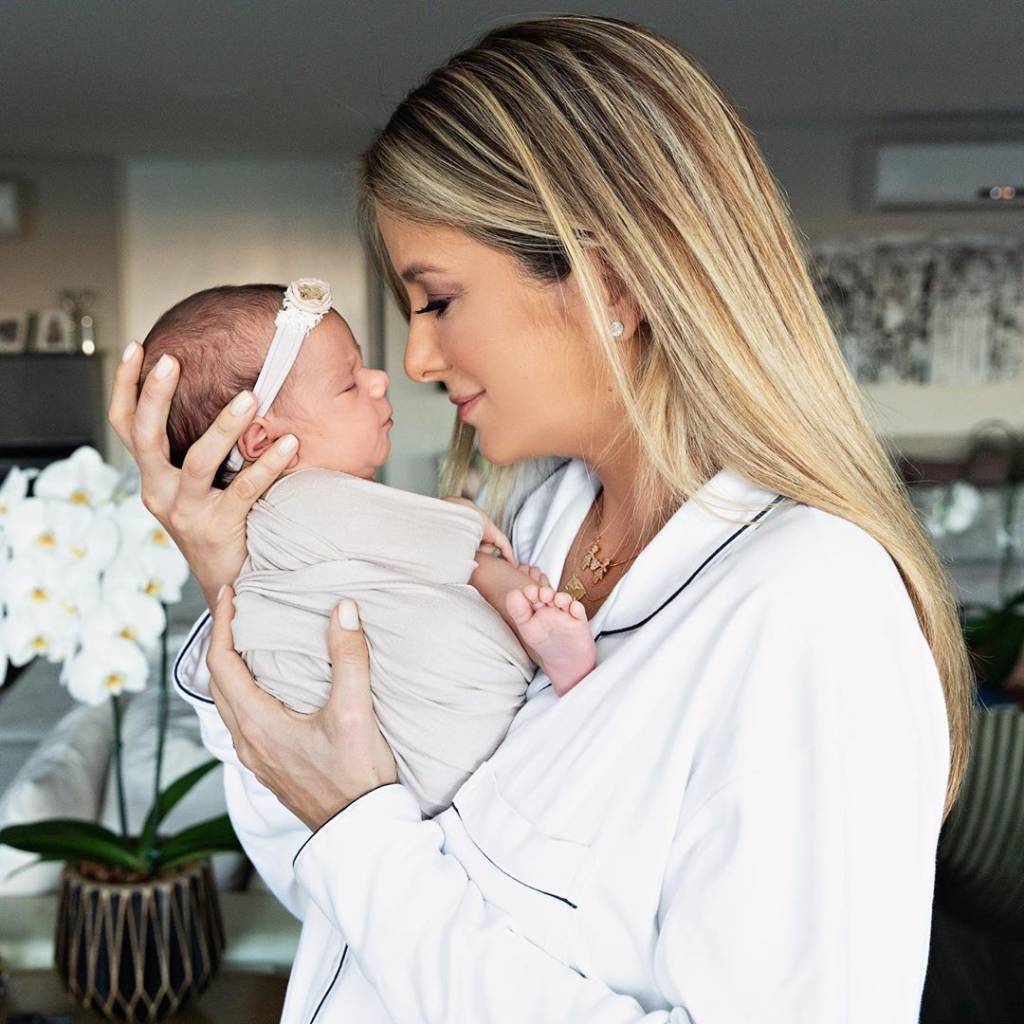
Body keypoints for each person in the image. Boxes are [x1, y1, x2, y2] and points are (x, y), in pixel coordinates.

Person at [109, 14, 971, 1023]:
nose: (419, 361)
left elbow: (362, 848)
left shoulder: (808, 606)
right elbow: (330, 885)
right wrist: (238, 577)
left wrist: (360, 830)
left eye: (435, 302)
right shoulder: (531, 520)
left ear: (607, 283)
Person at [137, 276, 597, 814]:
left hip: (396, 771)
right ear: (262, 441)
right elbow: (438, 545)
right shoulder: (302, 499)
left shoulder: (267, 535)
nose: (379, 379)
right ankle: (537, 641)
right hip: (444, 729)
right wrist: (464, 517)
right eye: (349, 384)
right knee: (465, 583)